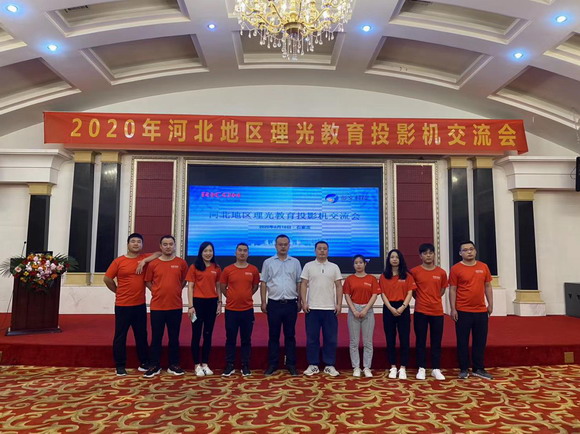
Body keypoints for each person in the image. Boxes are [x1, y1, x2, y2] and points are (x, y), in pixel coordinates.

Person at [103, 233, 160, 376]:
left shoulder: (144, 258)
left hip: (139, 304)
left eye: (139, 242)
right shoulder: (119, 261)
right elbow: (107, 279)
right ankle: (120, 365)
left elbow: (159, 253)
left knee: (141, 335)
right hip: (123, 305)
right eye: (133, 241)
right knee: (120, 336)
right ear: (128, 244)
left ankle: (144, 362)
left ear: (142, 245)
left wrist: (144, 261)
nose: (136, 244)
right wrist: (117, 291)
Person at [143, 235, 188, 378]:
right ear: (160, 246)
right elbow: (148, 281)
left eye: (170, 244)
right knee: (156, 337)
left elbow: (184, 280)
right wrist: (156, 291)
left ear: (174, 246)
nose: (168, 247)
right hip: (157, 307)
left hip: (175, 306)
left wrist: (176, 290)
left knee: (174, 337)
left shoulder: (181, 263)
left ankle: (174, 365)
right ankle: (154, 365)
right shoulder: (153, 264)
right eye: (165, 244)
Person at [449, 240, 494, 380]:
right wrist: (453, 308)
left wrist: (490, 304)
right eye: (465, 250)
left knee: (480, 341)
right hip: (463, 310)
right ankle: (463, 368)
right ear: (460, 253)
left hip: (481, 310)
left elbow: (488, 286)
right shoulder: (456, 269)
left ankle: (478, 368)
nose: (469, 252)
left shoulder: (483, 267)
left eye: (471, 249)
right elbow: (453, 289)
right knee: (462, 341)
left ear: (475, 251)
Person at [260, 234, 302, 376]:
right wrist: (263, 301)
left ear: (289, 245)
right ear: (275, 246)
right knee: (273, 335)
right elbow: (264, 283)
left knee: (290, 335)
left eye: (285, 244)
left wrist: (300, 301)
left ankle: (291, 364)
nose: (283, 247)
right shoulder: (268, 262)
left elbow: (299, 282)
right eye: (280, 244)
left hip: (290, 304)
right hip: (274, 304)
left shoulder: (295, 262)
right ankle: (273, 364)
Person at [300, 241, 343, 377]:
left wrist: (339, 304)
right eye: (319, 249)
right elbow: (303, 284)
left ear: (328, 251)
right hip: (312, 308)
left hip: (330, 308)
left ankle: (329, 365)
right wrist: (304, 302)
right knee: (312, 338)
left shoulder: (334, 267)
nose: (322, 251)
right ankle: (313, 365)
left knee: (330, 338)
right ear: (315, 251)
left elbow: (339, 286)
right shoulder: (308, 266)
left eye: (325, 249)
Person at [220, 243, 260, 377]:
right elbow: (223, 287)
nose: (242, 253)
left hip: (247, 310)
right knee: (230, 338)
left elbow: (255, 287)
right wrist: (232, 297)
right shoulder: (227, 270)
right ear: (235, 252)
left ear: (248, 253)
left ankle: (245, 365)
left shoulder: (253, 270)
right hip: (231, 310)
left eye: (245, 251)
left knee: (246, 339)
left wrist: (245, 296)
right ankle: (230, 365)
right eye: (240, 250)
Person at [410, 243, 448, 381]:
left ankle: (436, 368)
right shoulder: (414, 272)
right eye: (425, 253)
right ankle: (421, 368)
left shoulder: (441, 272)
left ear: (434, 255)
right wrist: (423, 299)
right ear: (420, 256)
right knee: (420, 340)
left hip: (437, 311)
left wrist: (433, 299)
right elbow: (413, 292)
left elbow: (442, 290)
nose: (428, 256)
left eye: (430, 253)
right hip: (421, 311)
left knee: (436, 341)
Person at [186, 241, 222, 377]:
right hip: (197, 303)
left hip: (211, 303)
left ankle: (205, 364)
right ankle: (197, 364)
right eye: (205, 251)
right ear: (201, 252)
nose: (208, 253)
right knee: (196, 334)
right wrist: (190, 306)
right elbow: (190, 287)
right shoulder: (194, 267)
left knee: (208, 334)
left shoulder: (216, 267)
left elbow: (218, 286)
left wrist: (219, 302)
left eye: (210, 251)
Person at [379, 249, 416, 380]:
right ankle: (393, 366)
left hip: (403, 308)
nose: (394, 259)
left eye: (397, 257)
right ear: (389, 260)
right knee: (390, 338)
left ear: (400, 260)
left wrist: (402, 307)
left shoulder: (407, 276)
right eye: (392, 257)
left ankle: (403, 367)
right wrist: (390, 308)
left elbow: (410, 293)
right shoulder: (384, 276)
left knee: (404, 338)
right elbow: (382, 293)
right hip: (388, 308)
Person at [343, 254, 380, 378]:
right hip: (353, 310)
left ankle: (367, 367)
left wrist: (365, 309)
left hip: (367, 310)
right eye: (356, 263)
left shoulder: (372, 279)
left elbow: (374, 295)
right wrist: (353, 310)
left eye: (360, 262)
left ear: (365, 264)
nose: (358, 265)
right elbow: (347, 295)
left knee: (368, 342)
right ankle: (356, 367)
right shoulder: (349, 279)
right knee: (354, 341)